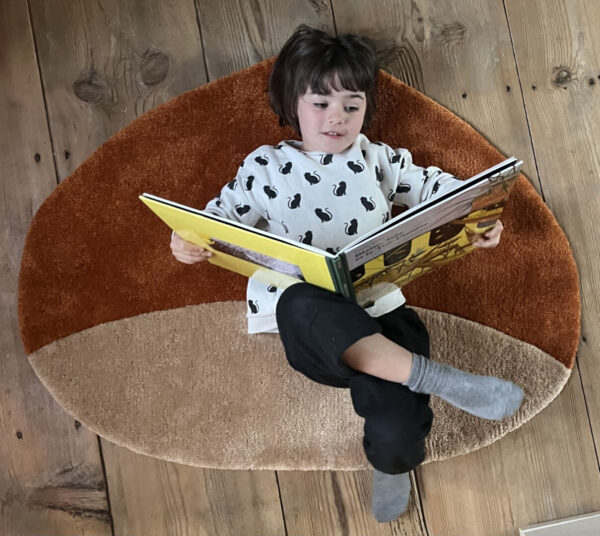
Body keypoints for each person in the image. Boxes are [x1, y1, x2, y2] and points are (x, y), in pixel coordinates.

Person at [171, 25, 523, 523]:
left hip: (382, 310)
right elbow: (214, 222)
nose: (336, 118)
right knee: (298, 299)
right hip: (313, 328)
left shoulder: (378, 159)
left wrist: (479, 219)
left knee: (400, 423)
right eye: (320, 103)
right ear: (292, 103)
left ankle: (393, 462)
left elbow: (439, 190)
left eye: (351, 105)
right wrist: (185, 242)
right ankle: (442, 379)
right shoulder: (265, 167)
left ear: (365, 110)